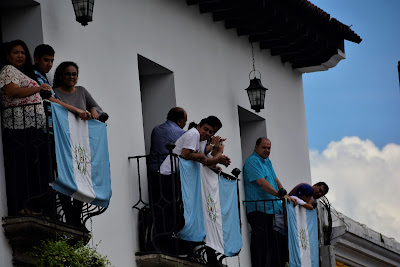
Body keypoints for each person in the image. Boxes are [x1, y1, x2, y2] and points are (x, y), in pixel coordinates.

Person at [52, 61, 108, 230]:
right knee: (65, 177)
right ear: (61, 76)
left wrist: (93, 111)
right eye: (68, 74)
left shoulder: (82, 91)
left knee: (81, 178)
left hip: (81, 143)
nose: (71, 77)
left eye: (74, 74)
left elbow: (99, 109)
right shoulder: (55, 92)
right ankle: (70, 216)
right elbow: (53, 105)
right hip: (63, 141)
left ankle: (74, 218)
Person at [0, 40, 52, 215]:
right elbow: (12, 91)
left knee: (31, 170)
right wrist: (37, 88)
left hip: (31, 129)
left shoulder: (22, 73)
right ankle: (20, 207)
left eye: (23, 52)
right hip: (17, 128)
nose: (20, 55)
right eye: (16, 52)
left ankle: (29, 206)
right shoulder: (8, 70)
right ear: (7, 55)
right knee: (20, 169)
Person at [243, 137, 294, 267]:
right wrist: (278, 195)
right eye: (264, 147)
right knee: (260, 245)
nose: (267, 150)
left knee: (272, 247)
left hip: (271, 210)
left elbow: (275, 179)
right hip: (258, 209)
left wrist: (285, 194)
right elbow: (262, 183)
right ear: (256, 147)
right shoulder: (252, 161)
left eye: (269, 148)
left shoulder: (267, 161)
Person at [148, 107, 187, 171]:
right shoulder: (182, 133)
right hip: (170, 172)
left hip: (153, 169)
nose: (185, 124)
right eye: (185, 121)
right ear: (179, 121)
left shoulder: (156, 129)